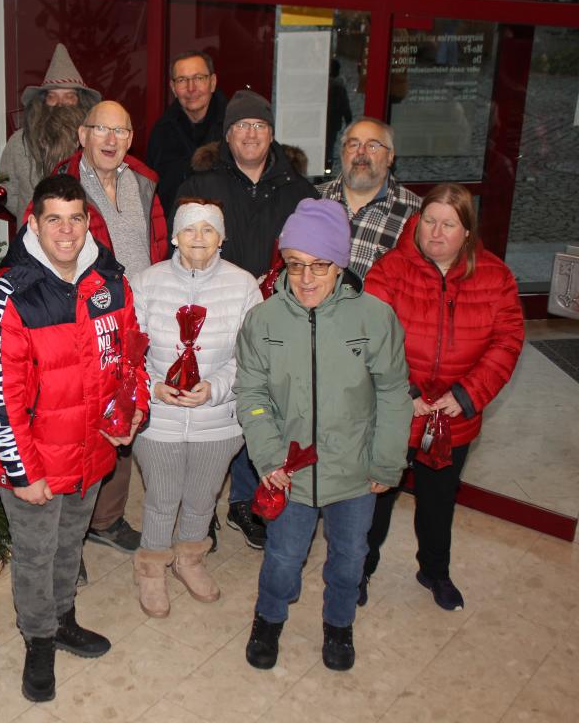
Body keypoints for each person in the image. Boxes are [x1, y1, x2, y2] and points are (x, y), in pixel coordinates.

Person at [0, 174, 147, 703]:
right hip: (36, 462)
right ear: (33, 224)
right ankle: (39, 639)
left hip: (92, 451)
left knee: (70, 543)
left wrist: (134, 408)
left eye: (76, 219)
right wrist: (22, 472)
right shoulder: (9, 296)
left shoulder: (110, 281)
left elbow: (131, 357)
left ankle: (63, 617)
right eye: (55, 220)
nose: (67, 231)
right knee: (36, 553)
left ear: (88, 222)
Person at [235, 198, 412, 672]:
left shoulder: (374, 318)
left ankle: (339, 624)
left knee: (350, 557)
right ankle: (268, 619)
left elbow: (394, 394)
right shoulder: (263, 320)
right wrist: (268, 456)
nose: (307, 278)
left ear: (340, 265)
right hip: (289, 473)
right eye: (295, 265)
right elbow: (251, 393)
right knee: (283, 556)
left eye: (320, 265)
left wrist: (386, 462)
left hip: (354, 471)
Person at [361, 184, 524, 611]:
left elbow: (507, 341)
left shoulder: (496, 277)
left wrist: (467, 394)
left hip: (453, 417)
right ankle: (360, 568)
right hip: (395, 411)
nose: (435, 232)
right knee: (376, 497)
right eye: (429, 221)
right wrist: (403, 392)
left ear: (467, 231)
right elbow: (370, 335)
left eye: (448, 224)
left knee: (438, 501)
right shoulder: (390, 269)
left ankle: (434, 571)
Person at [178, 88, 318, 550]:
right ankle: (200, 505)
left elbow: (314, 257)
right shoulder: (202, 184)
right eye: (241, 125)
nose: (250, 134)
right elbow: (182, 247)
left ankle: (244, 499)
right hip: (213, 315)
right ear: (228, 134)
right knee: (210, 405)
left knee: (262, 407)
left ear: (272, 133)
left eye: (259, 125)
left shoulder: (299, 190)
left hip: (281, 318)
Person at [131, 200, 261, 617]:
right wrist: (153, 386)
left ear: (222, 238)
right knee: (162, 496)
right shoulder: (147, 283)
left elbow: (252, 356)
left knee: (203, 497)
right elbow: (129, 351)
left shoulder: (243, 286)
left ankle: (189, 558)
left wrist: (216, 388)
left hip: (218, 420)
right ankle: (152, 565)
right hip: (161, 418)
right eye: (189, 229)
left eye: (209, 230)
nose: (199, 238)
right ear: (174, 237)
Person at [52, 99, 167, 558]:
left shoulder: (144, 182)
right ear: (83, 135)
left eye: (120, 131)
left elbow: (158, 244)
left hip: (137, 319)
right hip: (83, 321)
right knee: (80, 421)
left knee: (126, 413)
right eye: (102, 129)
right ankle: (69, 539)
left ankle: (107, 518)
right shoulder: (61, 187)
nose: (111, 139)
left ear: (131, 138)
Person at [0, 43, 101, 221]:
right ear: (43, 102)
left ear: (80, 102)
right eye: (53, 97)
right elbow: (7, 191)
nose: (60, 104)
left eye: (69, 97)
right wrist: (37, 216)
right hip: (32, 232)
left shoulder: (94, 142)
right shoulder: (19, 142)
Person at [317, 117, 421, 279]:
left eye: (372, 146)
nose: (361, 152)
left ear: (390, 156)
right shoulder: (313, 199)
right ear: (342, 153)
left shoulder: (414, 213)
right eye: (353, 144)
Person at [146, 51, 228, 233]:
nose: (191, 88)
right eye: (182, 80)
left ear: (213, 82)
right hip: (176, 237)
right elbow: (152, 196)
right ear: (173, 88)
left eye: (198, 78)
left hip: (226, 235)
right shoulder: (161, 133)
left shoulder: (234, 130)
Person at [324, 58, 353, 174]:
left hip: (324, 120)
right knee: (329, 147)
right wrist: (348, 119)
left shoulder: (324, 85)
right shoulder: (339, 86)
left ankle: (322, 169)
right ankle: (327, 170)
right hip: (333, 122)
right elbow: (345, 105)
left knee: (325, 146)